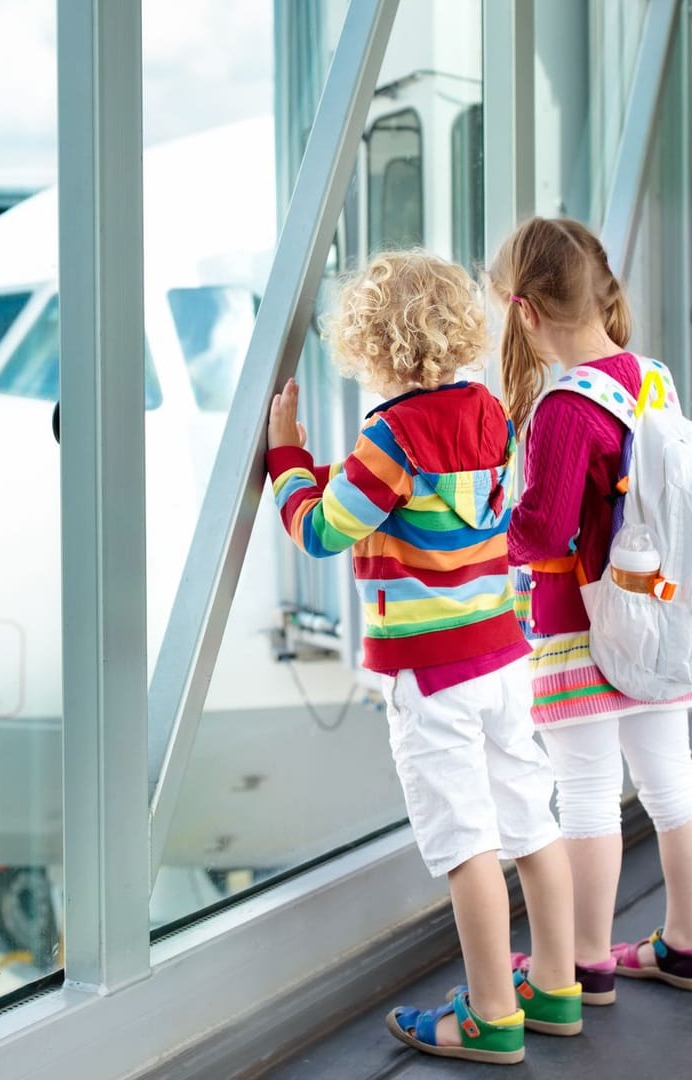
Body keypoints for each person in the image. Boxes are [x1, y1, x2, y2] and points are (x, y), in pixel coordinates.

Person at [266, 251, 578, 1065]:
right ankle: (553, 987)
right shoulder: (488, 411)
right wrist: (340, 472)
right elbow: (434, 500)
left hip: (432, 676)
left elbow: (323, 528)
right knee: (530, 821)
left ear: (368, 348)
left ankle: (490, 1016)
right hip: (504, 658)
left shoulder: (389, 435)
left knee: (466, 843)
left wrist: (287, 460)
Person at [491, 217, 692, 1003]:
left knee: (585, 795)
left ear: (525, 312)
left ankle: (586, 959)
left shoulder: (562, 408)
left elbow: (543, 529)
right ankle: (686, 946)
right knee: (672, 784)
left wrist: (483, 529)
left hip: (578, 629)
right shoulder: (649, 377)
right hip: (658, 616)